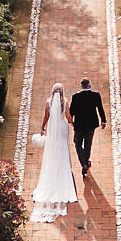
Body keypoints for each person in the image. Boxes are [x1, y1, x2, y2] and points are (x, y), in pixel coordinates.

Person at [29, 82, 78, 222]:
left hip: (52, 128)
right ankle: (63, 166)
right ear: (62, 92)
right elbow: (68, 116)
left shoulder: (48, 102)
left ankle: (53, 165)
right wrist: (72, 124)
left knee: (52, 148)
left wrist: (42, 128)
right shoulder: (65, 102)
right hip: (62, 128)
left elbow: (46, 117)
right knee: (63, 147)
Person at [69, 76, 107, 176]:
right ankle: (86, 161)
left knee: (77, 143)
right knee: (88, 144)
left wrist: (71, 121)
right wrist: (103, 120)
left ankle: (84, 163)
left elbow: (71, 111)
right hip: (91, 124)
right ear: (89, 85)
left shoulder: (75, 97)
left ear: (81, 86)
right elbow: (100, 108)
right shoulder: (96, 95)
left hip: (79, 125)